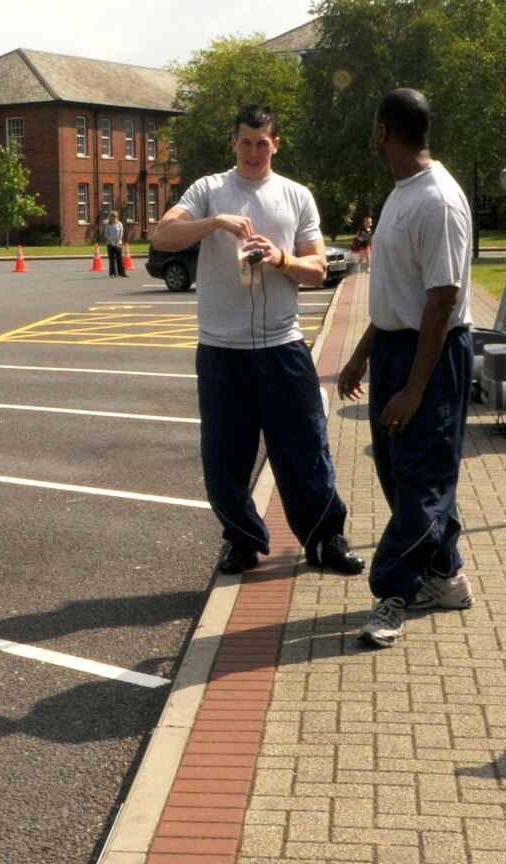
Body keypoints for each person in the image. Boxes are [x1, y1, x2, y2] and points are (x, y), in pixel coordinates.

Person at [151, 104, 362, 577]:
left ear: (276, 144)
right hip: (221, 349)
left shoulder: (295, 196)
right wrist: (216, 222)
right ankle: (241, 541)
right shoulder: (209, 190)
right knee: (225, 454)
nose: (252, 151)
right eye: (244, 142)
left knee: (304, 447)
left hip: (282, 345)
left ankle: (325, 539)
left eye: (261, 143)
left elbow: (318, 270)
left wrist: (280, 259)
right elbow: (162, 234)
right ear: (233, 143)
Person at [335, 89, 475, 648]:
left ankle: (393, 594)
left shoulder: (437, 200)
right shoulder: (402, 194)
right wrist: (361, 354)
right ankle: (446, 577)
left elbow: (442, 299)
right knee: (407, 476)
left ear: (383, 131)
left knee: (422, 480)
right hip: (397, 348)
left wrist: (416, 390)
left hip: (432, 356)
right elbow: (400, 294)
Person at [104, 211, 126, 277]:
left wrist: (118, 241)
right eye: (113, 216)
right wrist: (111, 242)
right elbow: (106, 234)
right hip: (110, 244)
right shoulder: (108, 224)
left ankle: (122, 273)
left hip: (118, 244)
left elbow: (121, 233)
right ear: (111, 217)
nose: (115, 217)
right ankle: (112, 273)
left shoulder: (119, 224)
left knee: (119, 258)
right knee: (111, 259)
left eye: (116, 216)